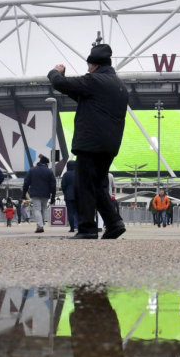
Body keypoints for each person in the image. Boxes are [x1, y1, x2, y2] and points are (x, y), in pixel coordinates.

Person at [47, 43, 127, 240]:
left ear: (94, 65)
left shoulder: (94, 80)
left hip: (90, 143)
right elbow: (79, 94)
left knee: (84, 184)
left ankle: (87, 228)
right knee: (98, 184)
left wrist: (55, 73)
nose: (87, 69)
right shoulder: (118, 85)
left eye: (89, 65)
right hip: (109, 145)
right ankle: (114, 223)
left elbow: (62, 85)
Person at [22, 154, 57, 234]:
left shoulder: (32, 170)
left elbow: (26, 183)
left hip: (35, 193)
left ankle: (40, 226)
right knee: (43, 209)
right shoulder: (49, 171)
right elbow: (53, 185)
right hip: (46, 194)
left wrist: (24, 194)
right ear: (46, 163)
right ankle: (40, 225)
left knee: (37, 209)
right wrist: (53, 197)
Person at [61, 160, 78, 232]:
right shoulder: (79, 174)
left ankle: (72, 228)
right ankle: (78, 226)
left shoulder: (66, 174)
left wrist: (65, 193)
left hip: (68, 195)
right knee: (78, 212)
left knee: (70, 212)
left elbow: (63, 186)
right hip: (78, 195)